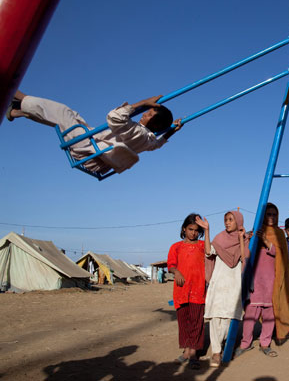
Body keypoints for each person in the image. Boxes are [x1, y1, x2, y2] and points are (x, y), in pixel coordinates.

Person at [6, 90, 182, 175]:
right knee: (69, 116)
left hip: (89, 149)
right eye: (147, 110)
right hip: (95, 151)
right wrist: (172, 130)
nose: (145, 113)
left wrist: (141, 102)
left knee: (61, 112)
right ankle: (17, 111)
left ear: (155, 124)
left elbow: (113, 117)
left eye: (149, 113)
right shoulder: (148, 140)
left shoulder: (138, 132)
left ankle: (15, 93)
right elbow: (158, 144)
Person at [235, 203, 289, 358]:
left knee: (269, 316)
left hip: (271, 281)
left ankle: (265, 343)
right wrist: (247, 238)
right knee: (250, 316)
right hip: (255, 281)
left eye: (274, 214)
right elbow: (245, 253)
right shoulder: (254, 232)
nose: (272, 217)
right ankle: (245, 343)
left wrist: (267, 242)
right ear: (262, 216)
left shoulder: (279, 234)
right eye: (268, 214)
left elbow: (282, 255)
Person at [204, 211, 250, 367]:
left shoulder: (244, 239)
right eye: (225, 220)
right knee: (215, 317)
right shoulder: (219, 238)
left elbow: (244, 259)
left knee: (229, 318)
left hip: (234, 283)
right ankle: (216, 352)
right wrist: (207, 231)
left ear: (238, 221)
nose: (227, 222)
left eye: (230, 220)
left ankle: (223, 345)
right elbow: (208, 252)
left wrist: (242, 239)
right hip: (219, 281)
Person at [167, 213, 211, 370]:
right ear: (184, 228)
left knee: (196, 322)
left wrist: (207, 230)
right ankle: (186, 351)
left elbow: (208, 251)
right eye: (190, 229)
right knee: (184, 322)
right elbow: (171, 265)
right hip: (181, 290)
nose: (193, 232)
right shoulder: (176, 247)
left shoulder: (200, 245)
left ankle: (193, 354)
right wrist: (176, 272)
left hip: (198, 289)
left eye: (196, 230)